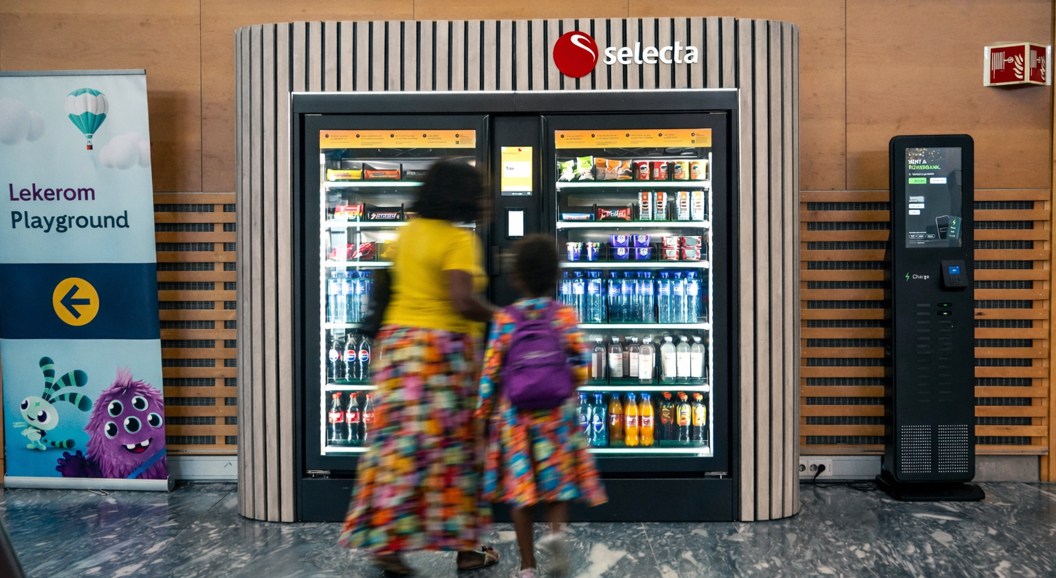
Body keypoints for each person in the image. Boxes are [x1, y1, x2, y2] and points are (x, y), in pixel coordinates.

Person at [338, 159, 500, 576]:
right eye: (479, 193)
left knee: (399, 451)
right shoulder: (458, 241)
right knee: (457, 452)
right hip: (440, 355)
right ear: (462, 196)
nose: (485, 201)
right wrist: (504, 317)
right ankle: (467, 548)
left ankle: (387, 544)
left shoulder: (408, 232)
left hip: (397, 351)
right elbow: (461, 299)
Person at [475, 234, 607, 578]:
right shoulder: (564, 315)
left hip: (516, 420)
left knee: (523, 494)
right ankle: (556, 536)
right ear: (555, 277)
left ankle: (527, 566)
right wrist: (568, 385)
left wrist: (482, 417)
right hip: (557, 418)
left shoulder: (506, 319)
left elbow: (490, 373)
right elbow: (580, 367)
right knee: (557, 485)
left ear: (516, 277)